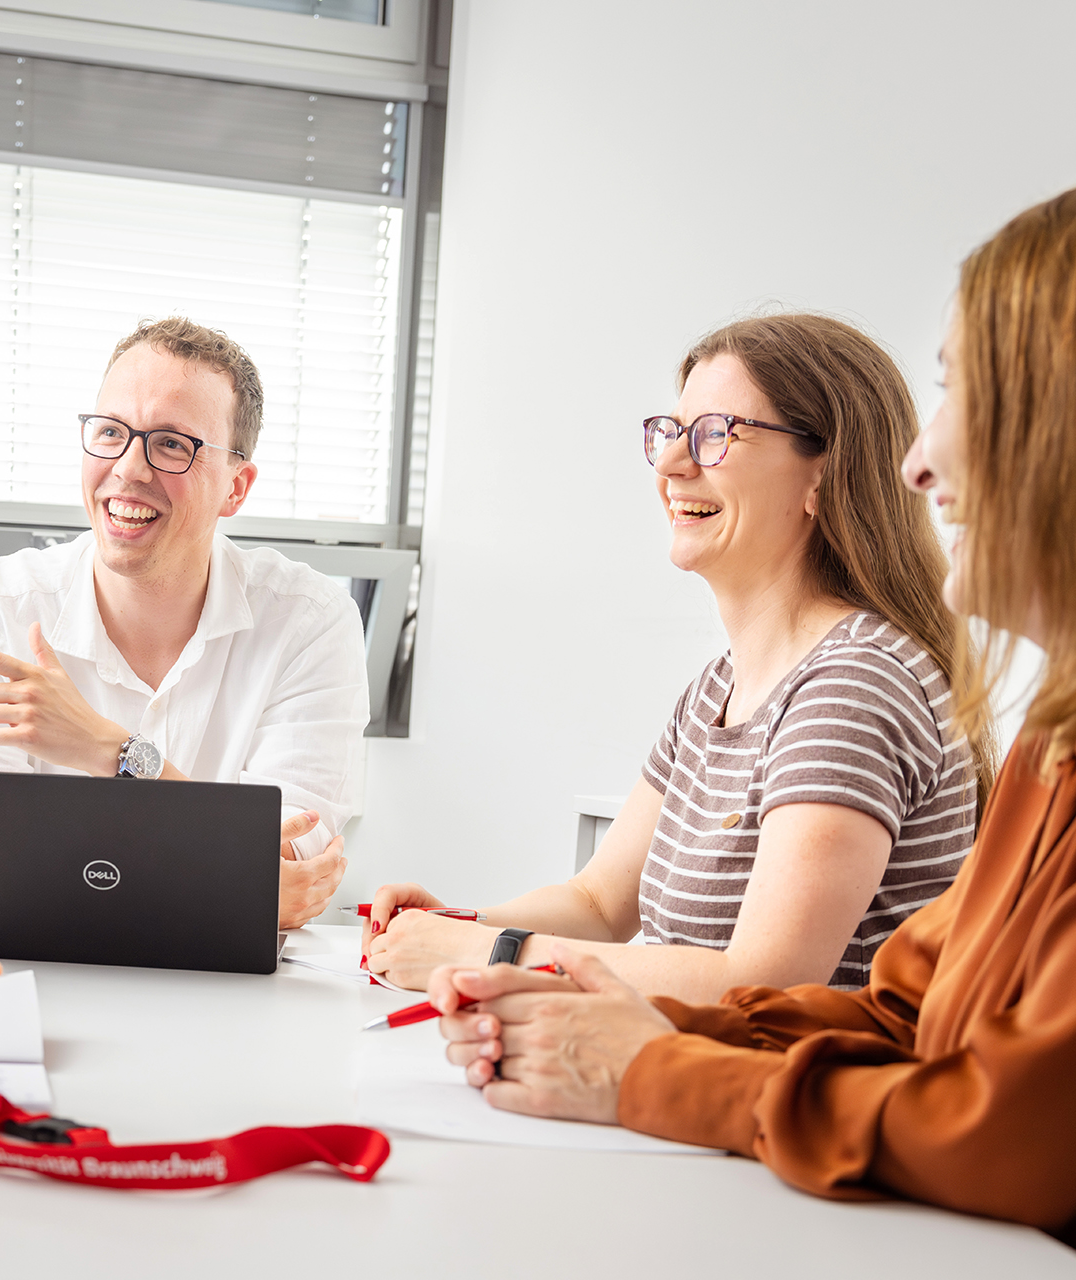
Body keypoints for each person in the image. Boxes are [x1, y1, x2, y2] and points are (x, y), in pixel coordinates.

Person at [424, 189, 1076, 1246]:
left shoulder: (858, 677)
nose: (920, 462)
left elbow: (1013, 1128)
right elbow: (908, 1007)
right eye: (673, 430)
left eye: (966, 396)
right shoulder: (1058, 740)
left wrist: (644, 1058)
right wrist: (600, 1011)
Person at [366, 314, 988, 1002]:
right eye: (671, 431)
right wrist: (454, 922)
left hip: (786, 1098)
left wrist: (489, 954)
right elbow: (600, 904)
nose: (669, 464)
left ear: (825, 474)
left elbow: (761, 983)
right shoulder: (720, 686)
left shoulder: (853, 685)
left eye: (717, 434)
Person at [0, 317, 368, 929]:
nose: (129, 468)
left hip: (234, 990)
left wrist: (113, 751)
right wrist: (224, 875)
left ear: (236, 487)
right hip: (47, 970)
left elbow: (288, 862)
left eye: (171, 444)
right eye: (110, 432)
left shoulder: (312, 624)